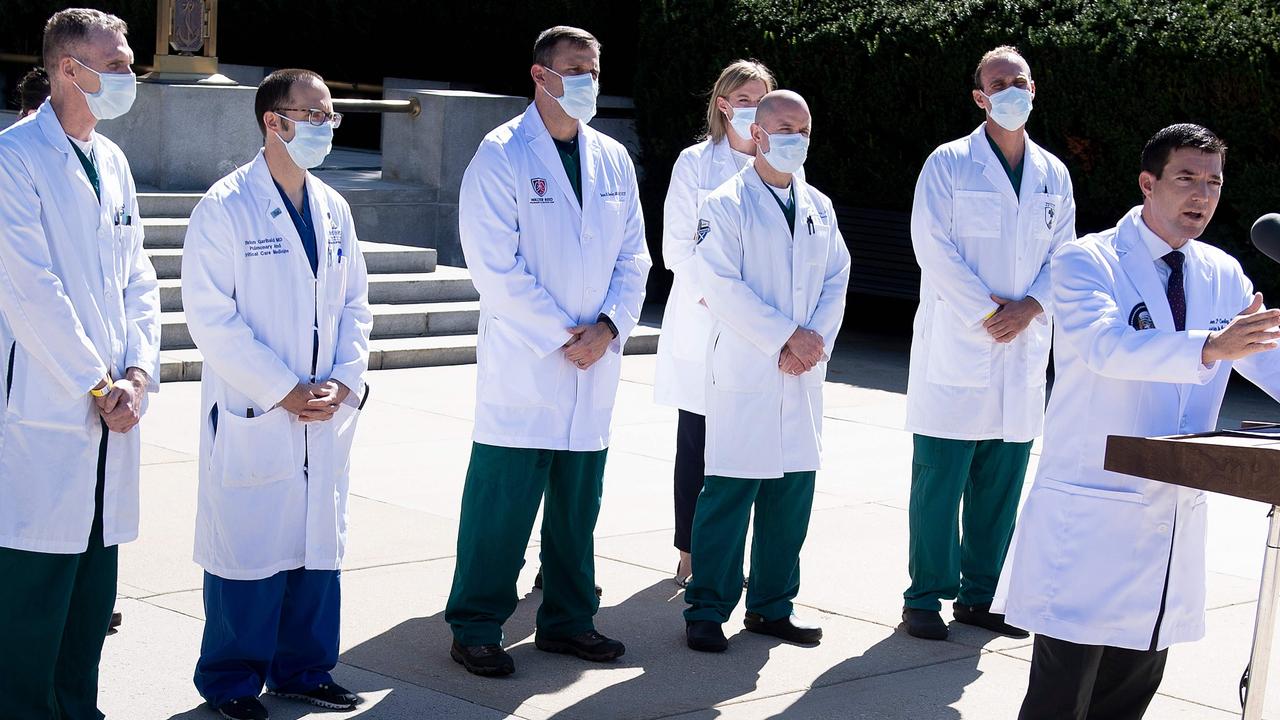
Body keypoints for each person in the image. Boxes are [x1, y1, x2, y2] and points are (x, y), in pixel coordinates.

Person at [995, 123, 1280, 719]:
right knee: (1060, 696)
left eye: (1213, 183)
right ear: (1148, 184)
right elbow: (1105, 346)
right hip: (1091, 514)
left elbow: (1262, 353)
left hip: (1169, 518)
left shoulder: (1221, 271)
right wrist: (1210, 347)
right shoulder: (1085, 260)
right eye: (1186, 179)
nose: (1201, 195)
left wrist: (1230, 348)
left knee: (1130, 693)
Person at [445, 26, 650, 677]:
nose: (588, 79)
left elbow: (635, 256)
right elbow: (493, 265)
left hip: (595, 362)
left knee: (575, 509)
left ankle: (567, 620)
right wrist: (567, 335)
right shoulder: (501, 153)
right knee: (501, 507)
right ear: (540, 75)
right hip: (530, 363)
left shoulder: (612, 158)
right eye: (575, 69)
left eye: (594, 67)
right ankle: (476, 625)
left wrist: (611, 327)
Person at [181, 68, 373, 720]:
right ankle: (232, 681)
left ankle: (306, 669)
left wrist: (346, 378)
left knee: (316, 545)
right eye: (314, 115)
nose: (326, 126)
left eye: (330, 117)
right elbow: (210, 318)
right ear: (274, 121)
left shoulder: (334, 208)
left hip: (325, 409)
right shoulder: (225, 206)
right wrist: (283, 389)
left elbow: (356, 305)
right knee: (250, 550)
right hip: (257, 409)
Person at [0, 8, 160, 718]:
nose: (130, 76)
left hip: (112, 410)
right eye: (119, 64)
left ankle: (78, 709)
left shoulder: (113, 161)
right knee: (33, 593)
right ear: (71, 68)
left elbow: (140, 280)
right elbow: (30, 289)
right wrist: (98, 382)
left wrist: (138, 376)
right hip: (50, 407)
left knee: (92, 597)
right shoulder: (13, 158)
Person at [902, 46, 1077, 641]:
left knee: (1002, 484)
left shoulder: (1054, 172)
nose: (1010, 90)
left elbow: (1067, 256)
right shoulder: (948, 163)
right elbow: (932, 245)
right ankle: (924, 597)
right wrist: (988, 311)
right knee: (940, 481)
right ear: (980, 97)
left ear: (1034, 88)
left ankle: (983, 596)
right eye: (997, 83)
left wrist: (1031, 307)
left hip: (1023, 346)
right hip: (960, 342)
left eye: (1018, 81)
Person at [683, 90, 851, 653]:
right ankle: (707, 607)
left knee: (791, 497)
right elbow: (721, 286)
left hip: (800, 373)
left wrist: (812, 342)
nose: (795, 140)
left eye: (804, 130)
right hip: (747, 369)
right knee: (729, 494)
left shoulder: (819, 206)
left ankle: (773, 606)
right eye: (784, 128)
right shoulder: (724, 203)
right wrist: (785, 337)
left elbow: (836, 279)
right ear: (757, 132)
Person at [655, 59, 777, 588]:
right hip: (705, 323)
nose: (754, 109)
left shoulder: (782, 163)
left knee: (749, 447)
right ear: (724, 104)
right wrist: (723, 297)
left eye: (763, 99)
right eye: (746, 99)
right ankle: (690, 550)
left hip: (761, 329)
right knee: (698, 441)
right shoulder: (693, 163)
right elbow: (678, 246)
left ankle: (732, 555)